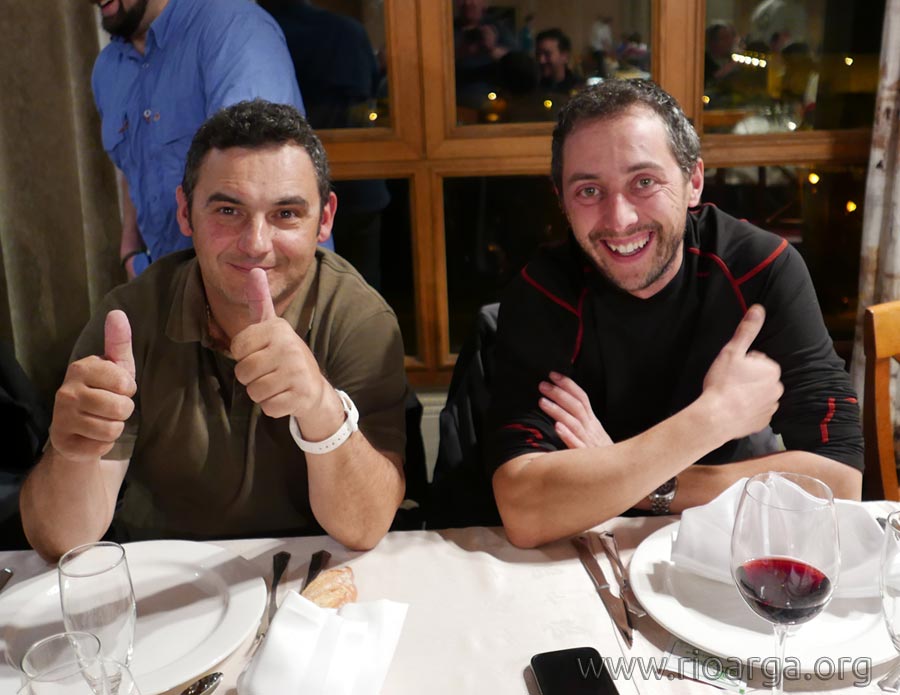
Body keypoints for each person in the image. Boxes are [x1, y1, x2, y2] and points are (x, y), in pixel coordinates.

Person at [20, 100, 408, 561]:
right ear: (185, 213)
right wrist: (72, 453)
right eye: (228, 211)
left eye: (286, 214)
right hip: (161, 571)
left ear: (324, 219)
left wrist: (321, 406)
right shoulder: (129, 319)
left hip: (305, 574)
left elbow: (364, 528)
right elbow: (60, 542)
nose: (256, 244)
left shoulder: (359, 320)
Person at [486, 80, 863, 549]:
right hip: (586, 552)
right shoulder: (545, 292)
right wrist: (712, 419)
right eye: (589, 190)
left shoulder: (760, 269)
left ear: (693, 181)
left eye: (644, 182)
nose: (619, 219)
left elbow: (840, 482)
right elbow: (524, 511)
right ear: (562, 200)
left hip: (726, 548)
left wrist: (637, 481)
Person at [89, 0, 322, 279]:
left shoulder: (233, 27)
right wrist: (131, 252)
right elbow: (132, 166)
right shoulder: (107, 69)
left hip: (260, 280)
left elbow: (259, 174)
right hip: (172, 285)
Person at [535, 28, 582, 95]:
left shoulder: (579, 89)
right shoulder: (532, 88)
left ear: (564, 56)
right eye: (538, 54)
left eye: (547, 54)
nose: (541, 60)